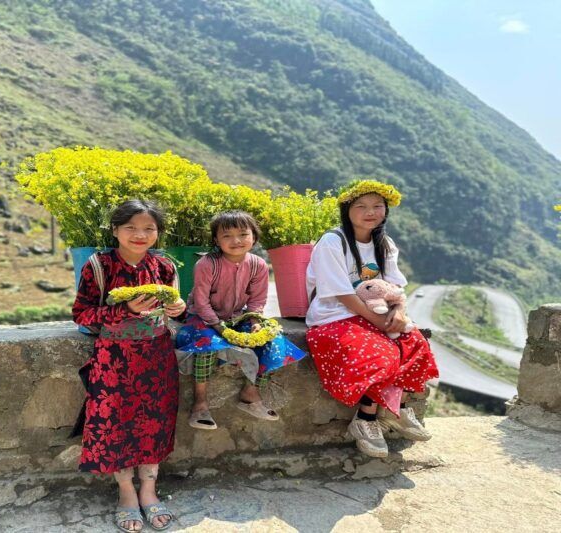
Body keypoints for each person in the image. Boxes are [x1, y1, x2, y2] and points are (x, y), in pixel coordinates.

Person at [72, 199, 186, 532]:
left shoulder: (164, 266)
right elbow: (82, 314)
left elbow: (174, 310)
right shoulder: (99, 265)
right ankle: (126, 492)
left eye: (149, 228)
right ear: (115, 230)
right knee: (114, 424)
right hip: (114, 357)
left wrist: (179, 308)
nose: (140, 234)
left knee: (156, 421)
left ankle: (149, 489)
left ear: (158, 232)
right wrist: (126, 312)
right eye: (131, 228)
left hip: (157, 354)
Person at [305, 179, 439, 458]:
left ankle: (395, 410)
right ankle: (366, 420)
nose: (371, 212)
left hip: (374, 313)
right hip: (334, 316)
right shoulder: (333, 241)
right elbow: (341, 293)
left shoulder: (384, 243)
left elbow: (395, 287)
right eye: (362, 206)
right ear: (347, 210)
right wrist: (379, 323)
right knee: (377, 352)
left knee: (414, 342)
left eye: (378, 206)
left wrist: (399, 313)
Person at [176, 210, 306, 430]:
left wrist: (255, 322)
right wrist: (218, 327)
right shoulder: (207, 264)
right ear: (216, 240)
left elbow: (256, 302)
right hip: (202, 317)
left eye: (243, 234)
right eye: (226, 236)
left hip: (237, 316)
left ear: (253, 237)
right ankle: (200, 403)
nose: (236, 241)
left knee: (271, 340)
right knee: (207, 344)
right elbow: (200, 302)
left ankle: (250, 394)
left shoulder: (258, 265)